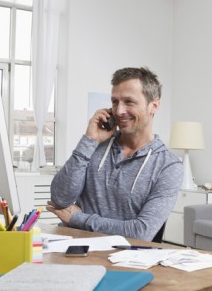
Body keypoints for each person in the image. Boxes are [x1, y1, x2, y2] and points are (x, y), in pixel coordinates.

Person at [46, 67, 183, 241]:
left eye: (129, 102)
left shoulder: (168, 166)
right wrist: (89, 140)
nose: (119, 111)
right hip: (71, 248)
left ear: (153, 106)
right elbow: (60, 199)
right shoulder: (94, 145)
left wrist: (77, 218)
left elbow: (141, 232)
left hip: (121, 258)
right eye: (115, 102)